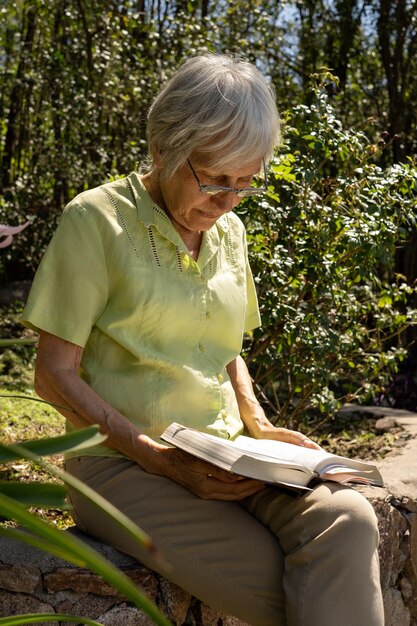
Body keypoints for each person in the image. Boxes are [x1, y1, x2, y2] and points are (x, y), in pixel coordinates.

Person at [22, 54, 384, 626]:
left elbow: (225, 348)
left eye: (245, 183)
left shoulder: (230, 231)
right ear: (164, 147)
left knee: (351, 518)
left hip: (232, 455)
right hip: (123, 467)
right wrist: (159, 460)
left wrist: (259, 424)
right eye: (215, 179)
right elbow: (52, 374)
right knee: (310, 587)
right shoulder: (95, 220)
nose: (227, 201)